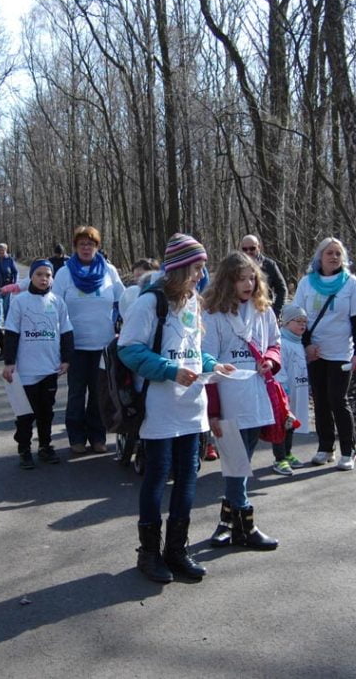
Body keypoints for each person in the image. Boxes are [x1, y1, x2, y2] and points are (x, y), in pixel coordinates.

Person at [118, 233, 231, 583]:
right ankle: (149, 553)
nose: (201, 274)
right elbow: (130, 349)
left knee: (187, 479)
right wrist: (169, 371)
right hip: (160, 407)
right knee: (157, 478)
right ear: (179, 267)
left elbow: (193, 350)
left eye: (203, 268)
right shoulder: (149, 303)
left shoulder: (194, 303)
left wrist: (213, 365)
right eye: (197, 268)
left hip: (192, 407)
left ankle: (177, 550)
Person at [202, 251, 281, 551]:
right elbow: (206, 365)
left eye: (252, 278)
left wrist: (270, 362)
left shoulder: (264, 311)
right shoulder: (213, 315)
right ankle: (246, 527)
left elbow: (275, 345)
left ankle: (227, 522)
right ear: (227, 281)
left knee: (241, 462)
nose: (248, 284)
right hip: (228, 398)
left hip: (256, 396)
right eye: (240, 279)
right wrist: (212, 412)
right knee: (236, 462)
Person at [293, 237, 356, 470]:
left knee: (338, 399)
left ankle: (349, 451)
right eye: (329, 253)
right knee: (320, 401)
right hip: (315, 352)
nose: (334, 257)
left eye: (338, 253)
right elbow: (298, 317)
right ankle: (326, 448)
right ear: (320, 257)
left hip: (341, 353)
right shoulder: (306, 283)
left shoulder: (351, 283)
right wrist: (306, 345)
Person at [52, 226, 125, 454]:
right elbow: (53, 307)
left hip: (102, 345)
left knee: (98, 394)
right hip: (74, 346)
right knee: (76, 394)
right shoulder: (64, 273)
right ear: (75, 247)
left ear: (97, 247)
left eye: (90, 244)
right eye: (82, 244)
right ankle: (76, 437)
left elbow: (126, 302)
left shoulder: (109, 271)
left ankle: (97, 436)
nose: (86, 248)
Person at [2, 259, 74, 469]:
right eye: (39, 274)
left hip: (49, 368)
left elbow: (66, 332)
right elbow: (12, 333)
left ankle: (45, 445)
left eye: (48, 275)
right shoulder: (20, 301)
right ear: (31, 277)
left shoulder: (57, 302)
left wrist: (67, 359)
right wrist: (9, 362)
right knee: (26, 413)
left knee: (46, 412)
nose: (44, 279)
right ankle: (24, 448)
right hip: (26, 370)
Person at [271, 304, 310, 475]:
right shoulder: (283, 343)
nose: (302, 325)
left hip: (297, 391)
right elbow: (280, 368)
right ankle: (279, 458)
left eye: (305, 321)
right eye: (298, 321)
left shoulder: (298, 342)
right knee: (281, 425)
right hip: (284, 393)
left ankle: (287, 453)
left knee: (290, 425)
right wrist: (283, 390)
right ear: (286, 323)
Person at [239, 234, 288, 317]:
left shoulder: (269, 265)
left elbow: (282, 290)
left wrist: (276, 312)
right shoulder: (236, 266)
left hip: (263, 311)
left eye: (252, 248)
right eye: (245, 249)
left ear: (259, 247)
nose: (248, 252)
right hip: (241, 312)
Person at [0, 242, 19, 328]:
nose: (1, 252)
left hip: (8, 287)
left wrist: (14, 284)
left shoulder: (10, 260)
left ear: (6, 250)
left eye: (2, 250)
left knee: (6, 306)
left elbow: (15, 272)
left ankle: (7, 322)